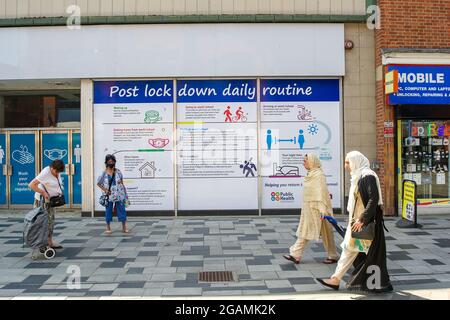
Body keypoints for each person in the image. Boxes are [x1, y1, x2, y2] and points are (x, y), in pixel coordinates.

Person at [316, 151, 393, 292]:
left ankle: (378, 282)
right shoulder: (359, 176)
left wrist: (363, 219)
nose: (346, 166)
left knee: (365, 253)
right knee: (350, 250)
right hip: (357, 224)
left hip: (364, 224)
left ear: (356, 162)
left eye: (348, 162)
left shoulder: (367, 176)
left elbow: (373, 199)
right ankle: (335, 279)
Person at [283, 154, 339, 264]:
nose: (303, 163)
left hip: (320, 209)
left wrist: (323, 210)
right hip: (310, 208)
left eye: (305, 161)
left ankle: (332, 255)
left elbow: (321, 194)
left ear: (312, 162)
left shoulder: (319, 175)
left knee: (326, 232)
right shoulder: (311, 174)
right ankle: (295, 254)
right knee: (306, 229)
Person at [28, 159, 65, 249]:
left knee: (51, 222)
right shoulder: (46, 172)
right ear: (52, 168)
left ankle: (50, 241)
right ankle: (41, 243)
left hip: (51, 202)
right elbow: (31, 185)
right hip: (42, 202)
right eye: (56, 171)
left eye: (59, 172)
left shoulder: (56, 171)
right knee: (42, 222)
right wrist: (44, 193)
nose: (57, 173)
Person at [97, 154, 129, 234]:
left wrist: (125, 192)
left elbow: (122, 181)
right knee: (108, 211)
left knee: (122, 210)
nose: (111, 163)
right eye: (109, 161)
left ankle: (124, 227)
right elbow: (98, 183)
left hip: (119, 194)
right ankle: (108, 227)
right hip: (109, 195)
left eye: (112, 161)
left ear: (114, 162)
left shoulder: (118, 171)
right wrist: (105, 190)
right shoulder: (103, 173)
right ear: (106, 162)